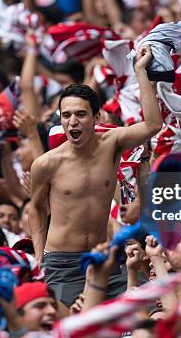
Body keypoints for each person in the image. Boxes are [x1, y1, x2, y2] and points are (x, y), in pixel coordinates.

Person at [30, 44, 162, 306]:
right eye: (66, 116)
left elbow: (153, 125)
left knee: (151, 310)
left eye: (80, 114)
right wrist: (38, 257)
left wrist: (140, 72)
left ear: (95, 116)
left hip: (106, 259)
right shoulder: (46, 163)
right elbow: (36, 208)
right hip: (63, 266)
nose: (72, 122)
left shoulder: (112, 142)